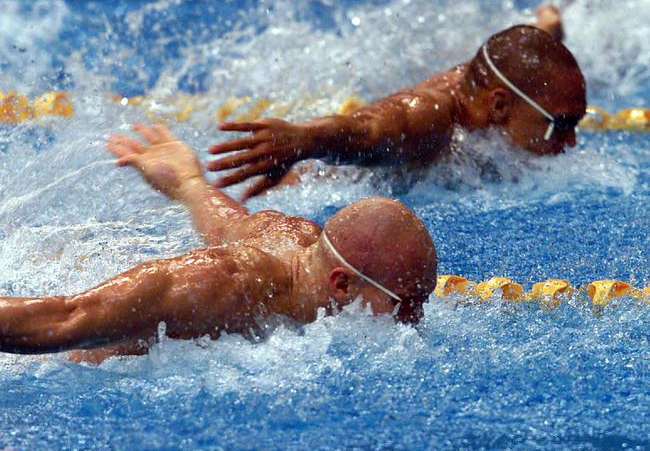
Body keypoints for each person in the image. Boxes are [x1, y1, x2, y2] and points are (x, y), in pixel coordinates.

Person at [0, 125, 437, 360]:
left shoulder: (300, 242)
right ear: (341, 285)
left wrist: (189, 183)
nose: (417, 318)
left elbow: (234, 226)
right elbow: (64, 319)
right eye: (405, 302)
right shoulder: (215, 285)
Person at [206, 8, 585, 199]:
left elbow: (518, 52)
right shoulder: (432, 118)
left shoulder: (493, 77)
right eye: (560, 125)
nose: (570, 144)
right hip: (279, 192)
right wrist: (305, 140)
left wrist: (548, 26)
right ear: (499, 107)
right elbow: (370, 131)